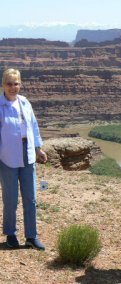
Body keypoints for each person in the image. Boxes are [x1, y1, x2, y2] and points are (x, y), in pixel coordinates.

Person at [0, 68, 47, 250]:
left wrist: (38, 149)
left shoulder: (25, 103)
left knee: (30, 198)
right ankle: (11, 234)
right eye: (9, 83)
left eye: (16, 83)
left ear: (20, 84)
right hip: (7, 158)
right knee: (10, 199)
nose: (13, 87)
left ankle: (31, 236)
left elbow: (33, 127)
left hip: (27, 155)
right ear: (3, 84)